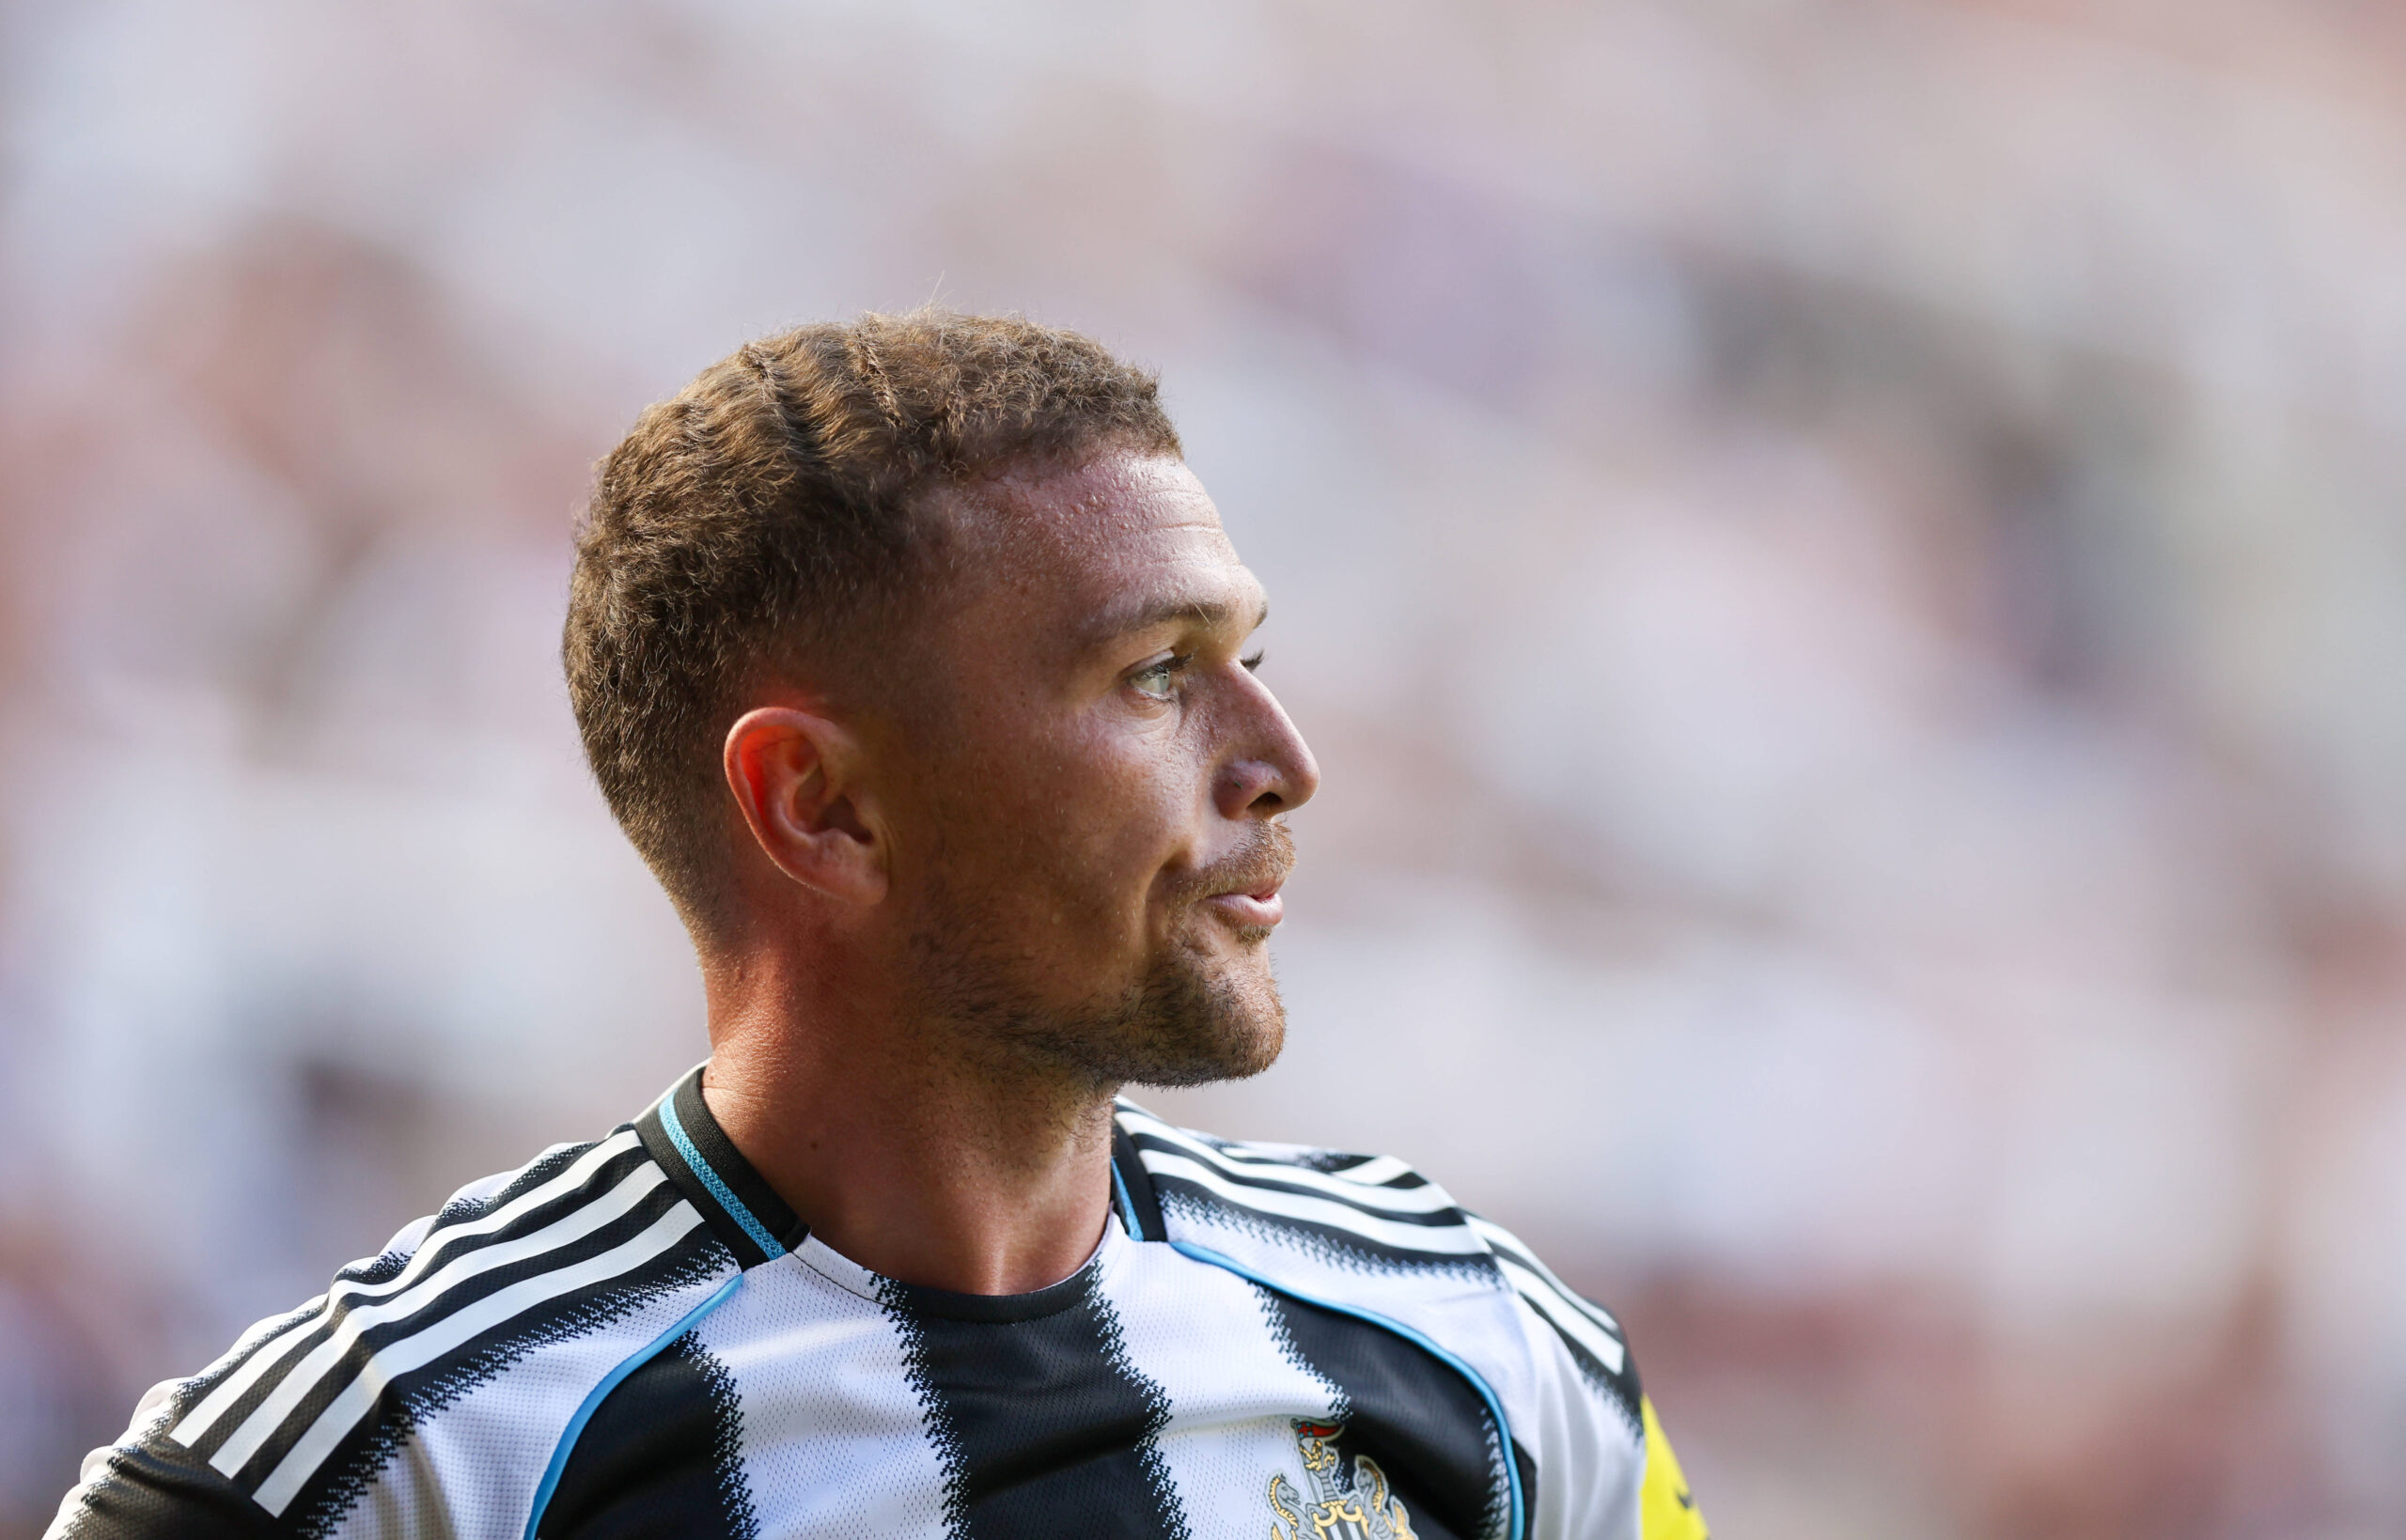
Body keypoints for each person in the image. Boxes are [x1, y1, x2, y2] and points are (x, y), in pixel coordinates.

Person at [48, 310, 1708, 1540]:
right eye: (1154, 675)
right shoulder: (402, 1458)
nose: (1283, 764)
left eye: (1248, 658)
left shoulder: (1479, 1341)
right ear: (821, 809)